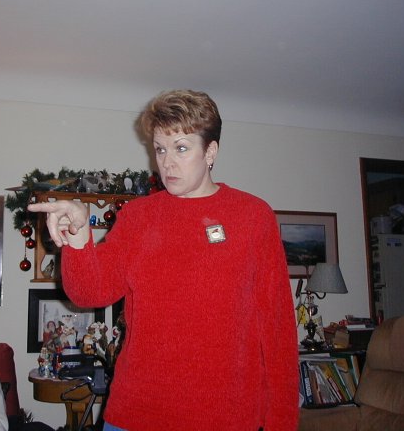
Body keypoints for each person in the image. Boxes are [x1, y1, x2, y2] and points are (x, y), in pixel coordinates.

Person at [28, 89, 299, 431]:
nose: (167, 162)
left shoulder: (252, 217)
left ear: (210, 151)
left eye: (181, 148)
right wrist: (80, 237)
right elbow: (90, 292)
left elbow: (277, 331)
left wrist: (281, 422)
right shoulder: (138, 217)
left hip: (224, 417)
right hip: (135, 414)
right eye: (160, 149)